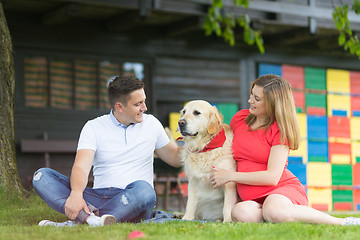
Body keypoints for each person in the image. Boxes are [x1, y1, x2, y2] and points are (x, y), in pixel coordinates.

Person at [210, 74, 360, 225]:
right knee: (240, 212)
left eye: (257, 98)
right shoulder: (239, 119)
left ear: (272, 103)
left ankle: (342, 222)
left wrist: (230, 176)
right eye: (251, 95)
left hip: (281, 190)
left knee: (273, 211)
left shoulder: (279, 130)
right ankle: (275, 216)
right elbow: (219, 140)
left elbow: (272, 177)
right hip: (254, 200)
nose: (250, 101)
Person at [32, 75, 181, 227]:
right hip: (99, 197)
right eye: (138, 104)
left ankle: (86, 220)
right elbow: (81, 167)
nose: (145, 107)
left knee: (145, 190)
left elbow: (176, 158)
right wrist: (76, 194)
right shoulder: (93, 127)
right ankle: (98, 221)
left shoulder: (152, 124)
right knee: (41, 176)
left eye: (144, 101)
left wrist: (199, 142)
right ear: (119, 107)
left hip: (135, 198)